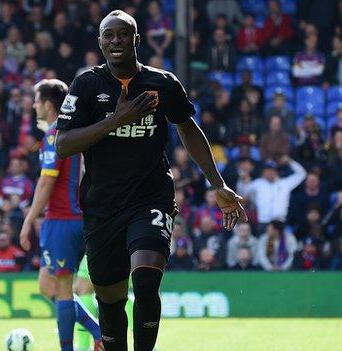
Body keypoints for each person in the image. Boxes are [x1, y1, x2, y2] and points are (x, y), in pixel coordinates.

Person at [55, 10, 245, 350]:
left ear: (137, 39)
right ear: (100, 42)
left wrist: (217, 183)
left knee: (145, 283)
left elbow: (187, 127)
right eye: (108, 35)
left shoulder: (163, 83)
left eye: (123, 34)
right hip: (102, 207)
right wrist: (116, 119)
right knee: (110, 301)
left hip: (151, 199)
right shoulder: (86, 85)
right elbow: (64, 144)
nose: (115, 41)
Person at [19, 79, 102, 351]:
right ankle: (98, 333)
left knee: (65, 289)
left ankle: (72, 346)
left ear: (48, 104)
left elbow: (46, 182)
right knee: (47, 284)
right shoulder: (78, 132)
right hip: (79, 219)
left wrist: (29, 219)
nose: (33, 105)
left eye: (36, 100)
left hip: (63, 219)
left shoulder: (55, 135)